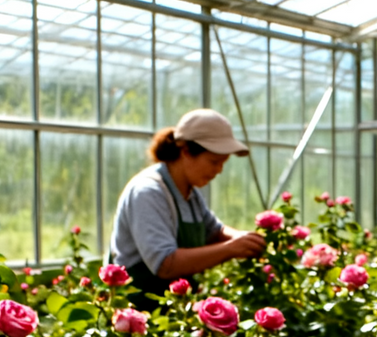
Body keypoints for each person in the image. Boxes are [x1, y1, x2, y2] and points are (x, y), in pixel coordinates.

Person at [109, 108, 265, 303]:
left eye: (223, 163)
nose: (219, 170)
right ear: (186, 152)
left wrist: (245, 239)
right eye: (214, 161)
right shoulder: (148, 192)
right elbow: (166, 264)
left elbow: (214, 231)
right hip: (137, 314)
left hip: (173, 311)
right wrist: (232, 248)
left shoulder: (190, 194)